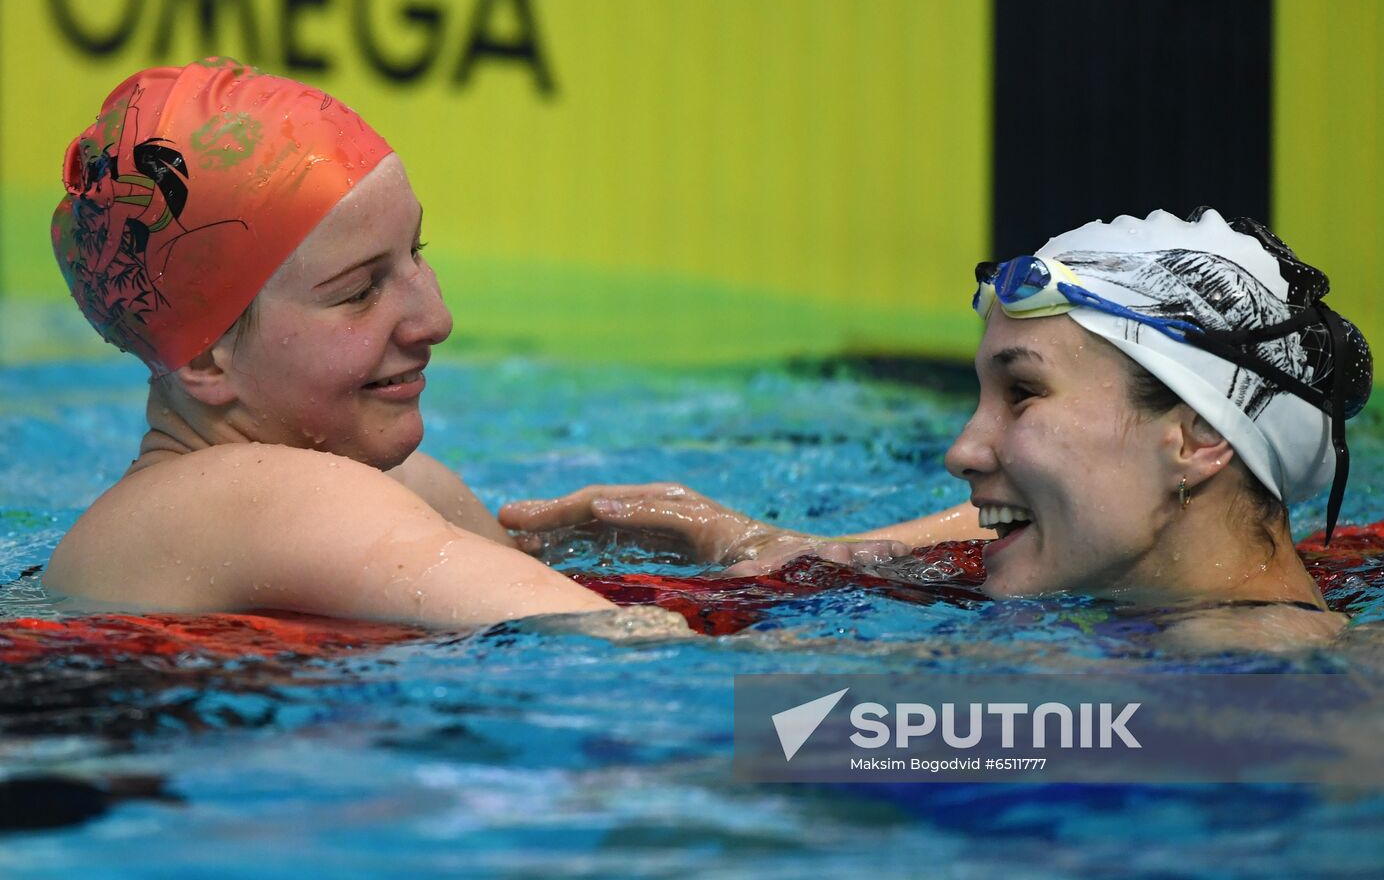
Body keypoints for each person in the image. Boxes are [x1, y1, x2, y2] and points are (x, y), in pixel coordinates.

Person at [501, 209, 1374, 649]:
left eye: (1023, 395)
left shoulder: (1258, 692)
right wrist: (804, 548)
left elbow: (793, 750)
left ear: (1193, 439)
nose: (962, 450)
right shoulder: (1169, 607)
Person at [43, 58, 617, 627]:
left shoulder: (384, 480)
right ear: (203, 359)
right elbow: (609, 642)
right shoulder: (263, 496)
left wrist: (700, 557)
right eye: (360, 291)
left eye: (417, 250)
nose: (436, 320)